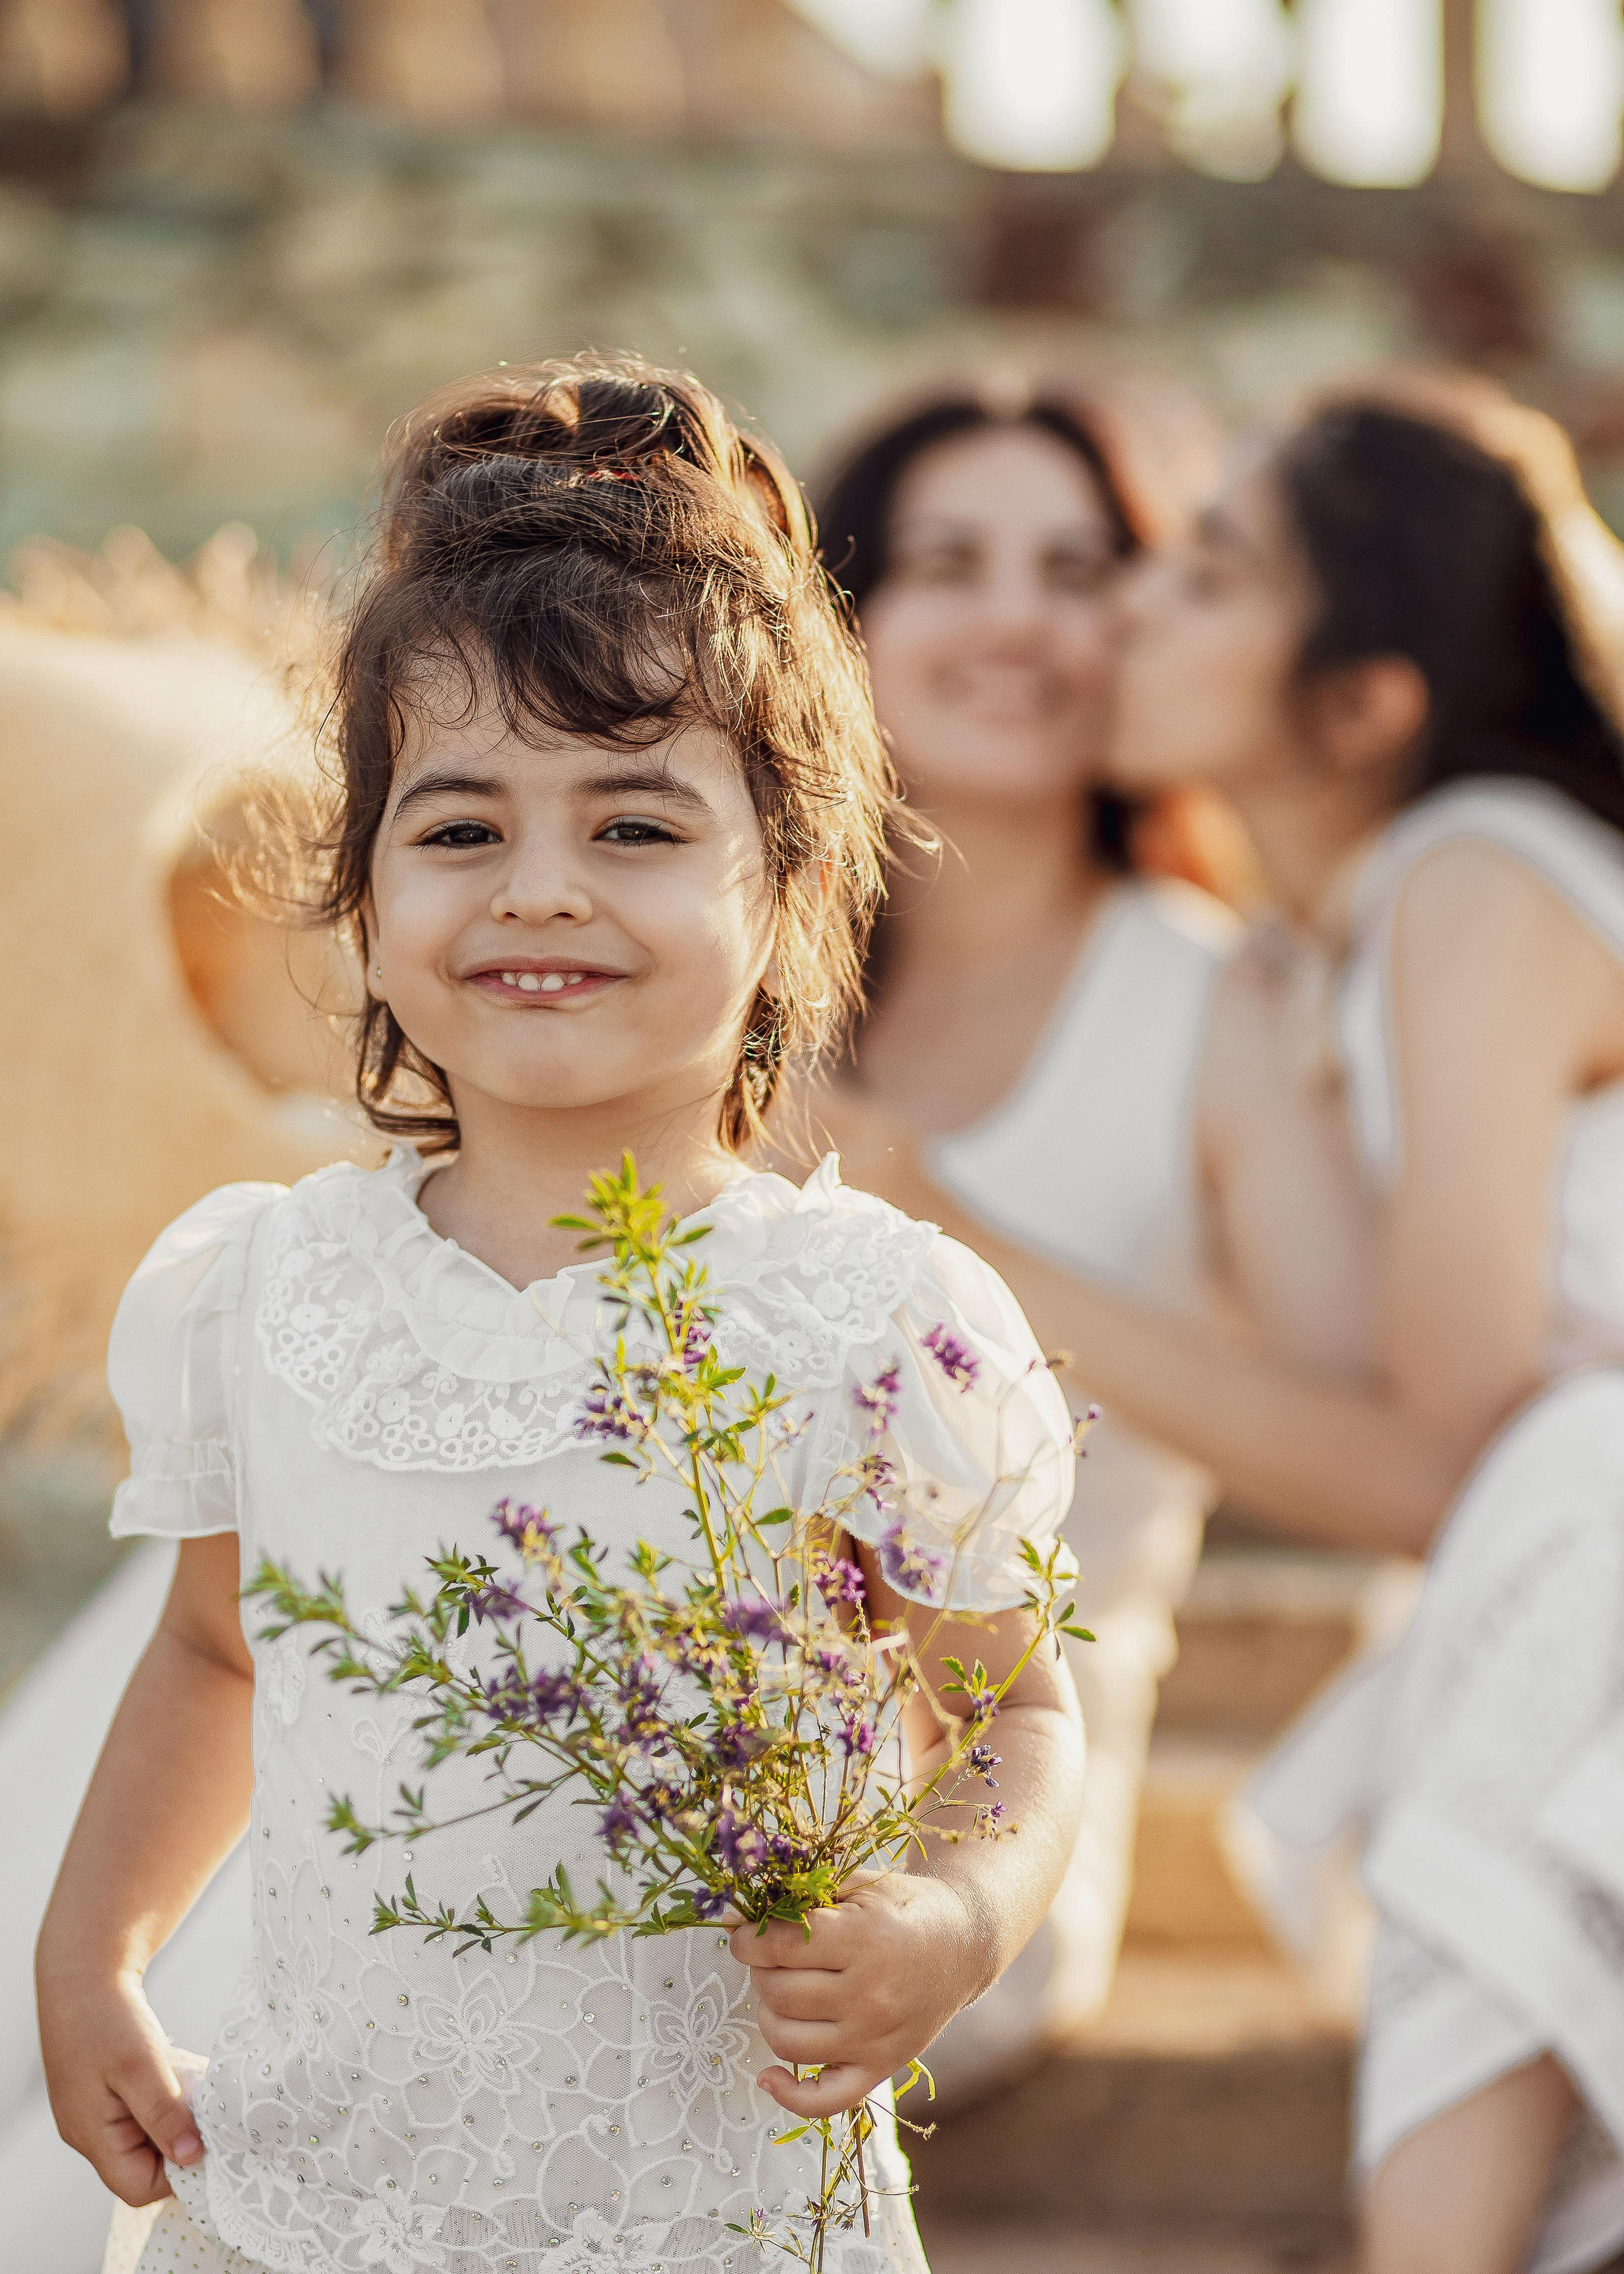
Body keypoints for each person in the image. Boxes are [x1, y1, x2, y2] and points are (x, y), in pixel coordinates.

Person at [35, 356, 1085, 2274]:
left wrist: (954, 1920)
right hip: (320, 2198)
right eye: (458, 831)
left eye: (633, 828)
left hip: (710, 2204)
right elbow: (212, 1655)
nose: (543, 893)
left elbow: (1013, 1697)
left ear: (789, 888)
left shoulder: (866, 1317)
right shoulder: (263, 1290)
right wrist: (94, 1943)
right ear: (357, 893)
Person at [827, 379, 1624, 2273]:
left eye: (1202, 578)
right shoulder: (1380, 926)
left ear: (1358, 702)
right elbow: (1396, 1402)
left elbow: (1447, 1451)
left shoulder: (1468, 886)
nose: (1125, 614)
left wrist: (948, 1220)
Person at [799, 381, 1241, 2098]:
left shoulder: (1221, 1002)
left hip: (987, 1786)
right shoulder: (718, 964)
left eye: (1075, 569)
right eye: (950, 562)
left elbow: (1392, 1445)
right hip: (616, 1680)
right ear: (845, 621)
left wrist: (947, 1231)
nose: (1014, 619)